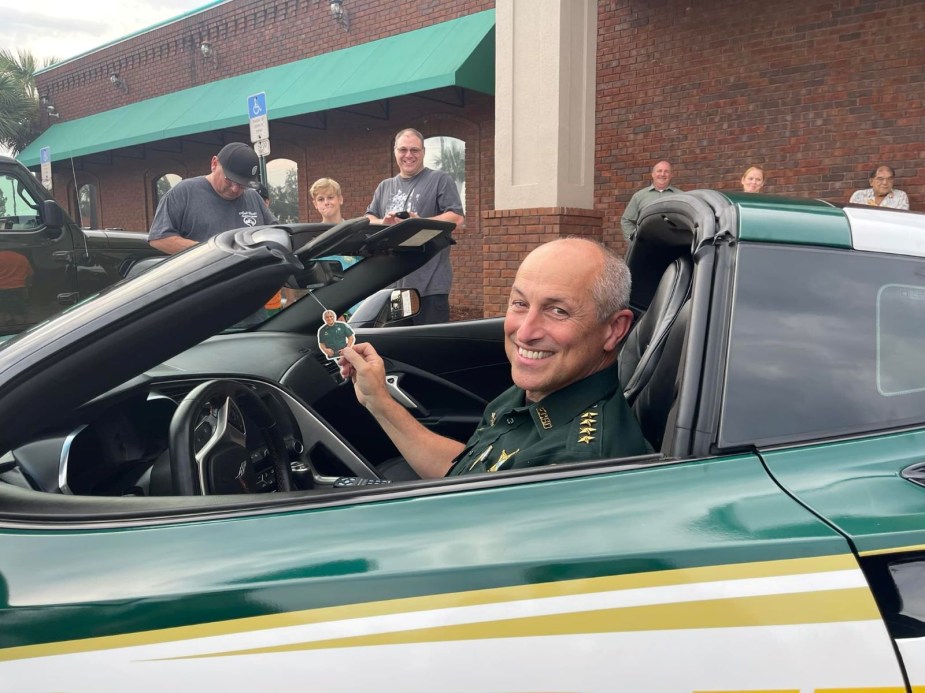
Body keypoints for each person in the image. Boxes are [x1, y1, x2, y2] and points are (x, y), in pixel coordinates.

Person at [339, 237, 651, 480]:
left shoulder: (573, 467)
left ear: (614, 329)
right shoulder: (539, 393)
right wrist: (378, 401)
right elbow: (467, 471)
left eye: (558, 310)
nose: (525, 332)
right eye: (519, 303)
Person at [365, 128, 465, 325]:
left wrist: (418, 222)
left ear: (423, 152)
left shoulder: (439, 179)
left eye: (414, 150)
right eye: (403, 150)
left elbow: (456, 218)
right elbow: (368, 218)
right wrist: (383, 223)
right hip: (395, 285)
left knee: (429, 348)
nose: (408, 155)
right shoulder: (385, 186)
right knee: (401, 345)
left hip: (430, 284)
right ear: (395, 152)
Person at [148, 142, 277, 254]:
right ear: (214, 164)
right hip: (206, 279)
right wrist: (211, 252)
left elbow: (276, 234)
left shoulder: (253, 197)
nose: (235, 189)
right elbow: (159, 239)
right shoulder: (184, 193)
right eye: (229, 180)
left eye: (243, 184)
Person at [620, 160, 682, 241]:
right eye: (659, 171)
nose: (662, 174)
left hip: (674, 246)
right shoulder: (639, 196)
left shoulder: (681, 196)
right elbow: (626, 220)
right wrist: (633, 241)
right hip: (646, 247)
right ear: (653, 174)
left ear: (671, 175)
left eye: (666, 172)